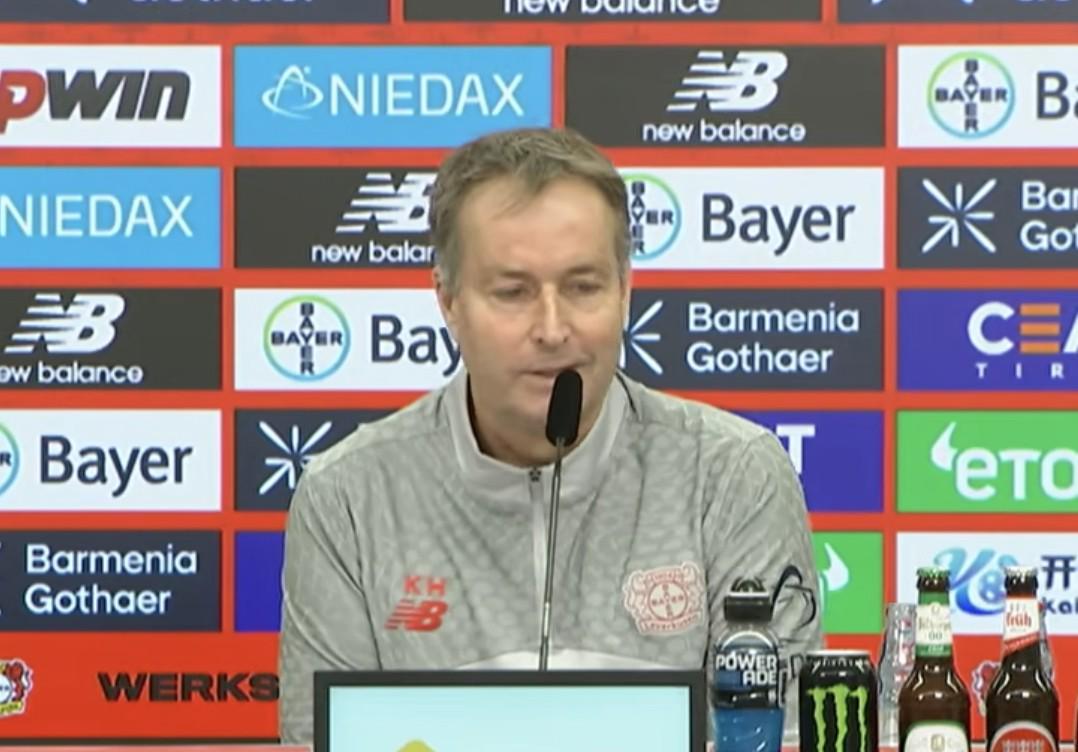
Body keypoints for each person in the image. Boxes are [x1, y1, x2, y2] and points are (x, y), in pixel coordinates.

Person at [277, 126, 823, 744]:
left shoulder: (730, 474)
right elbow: (321, 741)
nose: (553, 328)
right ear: (448, 300)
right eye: (513, 292)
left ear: (625, 291)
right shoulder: (349, 498)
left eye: (583, 287)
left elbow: (779, 736)